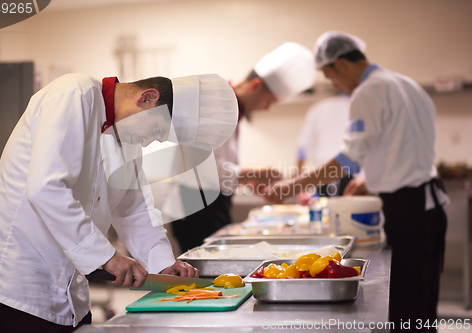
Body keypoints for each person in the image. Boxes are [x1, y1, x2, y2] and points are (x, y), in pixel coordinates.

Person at [0, 72, 238, 332]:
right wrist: (108, 257)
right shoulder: (74, 95)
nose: (147, 143)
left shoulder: (128, 136)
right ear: (147, 98)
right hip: (11, 287)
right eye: (156, 130)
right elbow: (45, 188)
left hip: (69, 296)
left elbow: (135, 212)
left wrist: (163, 265)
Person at [264, 31, 448, 332]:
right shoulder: (406, 84)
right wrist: (371, 177)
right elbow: (403, 146)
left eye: (329, 76)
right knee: (424, 302)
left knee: (405, 301)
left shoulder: (368, 91)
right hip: (431, 204)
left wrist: (292, 186)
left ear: (340, 64)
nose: (335, 85)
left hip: (408, 208)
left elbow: (348, 158)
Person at [164, 42, 317, 253]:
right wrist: (257, 172)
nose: (267, 108)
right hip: (194, 209)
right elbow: (201, 168)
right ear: (255, 85)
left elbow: (220, 165)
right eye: (269, 101)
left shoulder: (233, 109)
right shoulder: (214, 104)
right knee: (205, 280)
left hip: (212, 205)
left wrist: (248, 179)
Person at [296, 92, 353, 199]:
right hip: (349, 174)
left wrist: (300, 189)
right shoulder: (356, 106)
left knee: (322, 213)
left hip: (322, 174)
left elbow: (302, 148)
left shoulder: (319, 108)